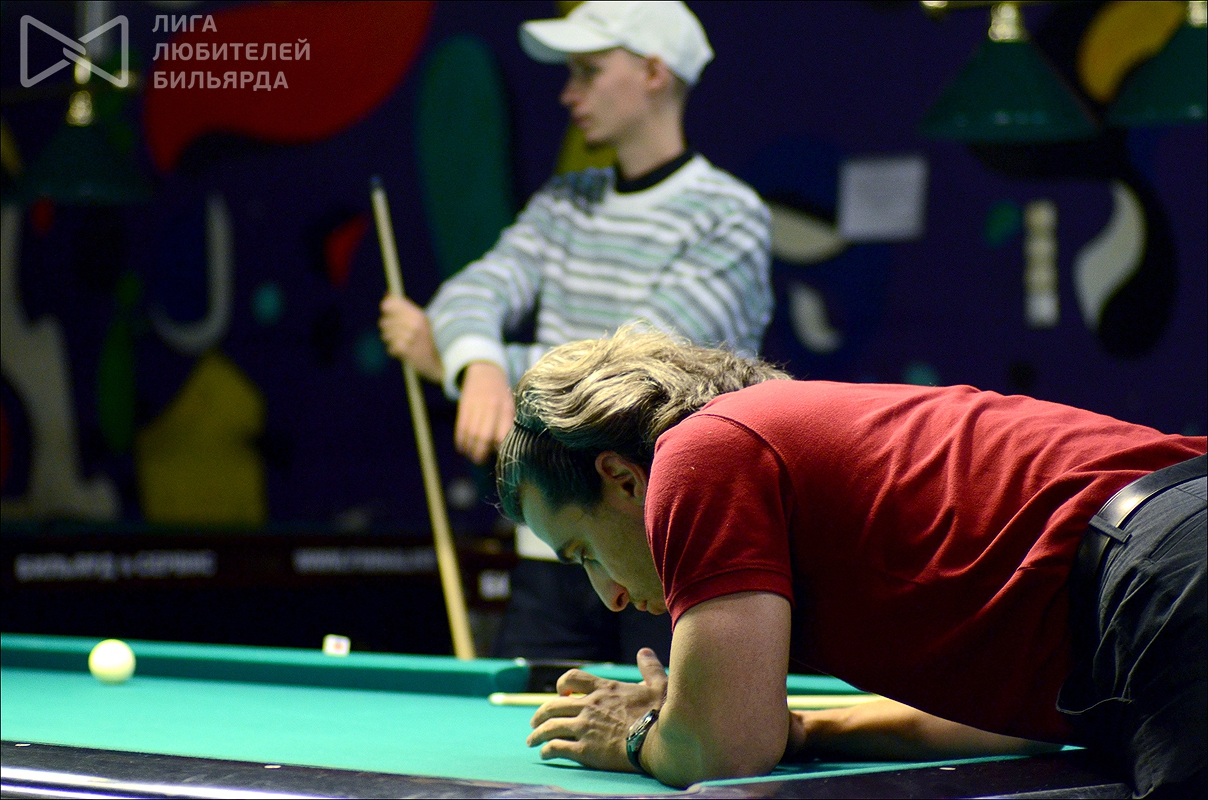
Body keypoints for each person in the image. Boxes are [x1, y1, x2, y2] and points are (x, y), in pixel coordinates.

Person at [496, 326, 1206, 797]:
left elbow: (725, 751)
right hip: (1157, 589)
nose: (610, 597)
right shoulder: (788, 450)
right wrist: (802, 730)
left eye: (584, 553)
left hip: (1169, 567)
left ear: (622, 480)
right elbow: (1010, 718)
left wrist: (639, 736)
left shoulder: (697, 452)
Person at [379, 1, 772, 663]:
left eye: (588, 71)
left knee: (672, 727)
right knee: (536, 724)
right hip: (557, 542)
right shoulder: (565, 202)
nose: (568, 93)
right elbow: (472, 291)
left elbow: (639, 374)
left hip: (670, 547)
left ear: (654, 72)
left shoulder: (730, 215)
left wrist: (452, 360)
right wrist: (476, 364)